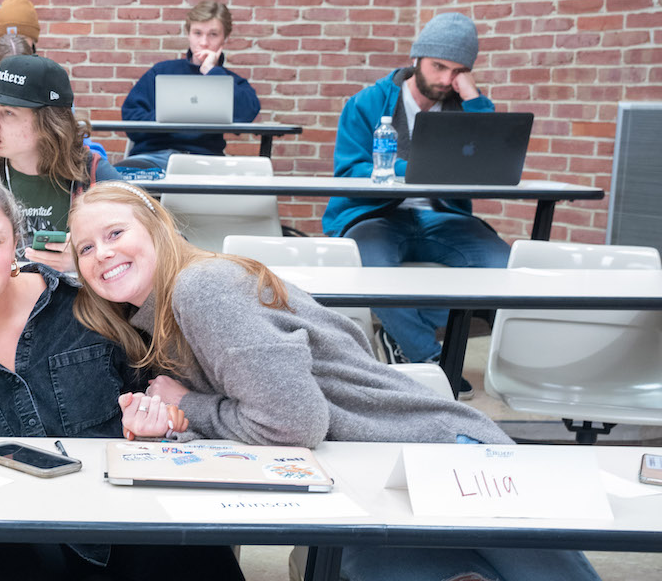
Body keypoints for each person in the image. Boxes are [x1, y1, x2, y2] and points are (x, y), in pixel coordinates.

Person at [66, 182, 601, 581]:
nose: (103, 253)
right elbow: (256, 418)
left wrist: (192, 406)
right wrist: (175, 424)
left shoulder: (202, 288)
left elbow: (292, 423)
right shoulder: (155, 319)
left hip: (442, 460)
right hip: (365, 478)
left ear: (158, 228)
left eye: (115, 233)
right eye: (85, 248)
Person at [0, 173, 243, 581]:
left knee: (195, 558)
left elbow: (165, 389)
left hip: (129, 519)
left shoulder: (87, 306)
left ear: (16, 243)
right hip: (14, 536)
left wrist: (165, 418)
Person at [322, 13, 510, 391]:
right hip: (375, 215)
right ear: (416, 59)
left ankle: (402, 338)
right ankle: (431, 362)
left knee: (501, 265)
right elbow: (348, 173)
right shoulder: (367, 103)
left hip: (443, 217)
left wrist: (473, 97)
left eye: (456, 71)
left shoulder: (461, 105)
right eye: (438, 66)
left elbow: (492, 160)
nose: (444, 79)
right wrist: (415, 168)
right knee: (372, 264)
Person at [0, 54, 121, 272]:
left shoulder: (90, 171)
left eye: (8, 112)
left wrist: (85, 258)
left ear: (48, 123)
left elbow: (156, 237)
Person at [118, 0, 260, 167]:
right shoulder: (161, 72)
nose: (204, 42)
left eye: (213, 34)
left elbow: (246, 115)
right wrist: (167, 116)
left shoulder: (229, 81)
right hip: (154, 157)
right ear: (188, 34)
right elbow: (131, 122)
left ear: (225, 38)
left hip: (205, 161)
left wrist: (212, 72)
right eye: (197, 33)